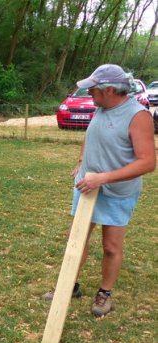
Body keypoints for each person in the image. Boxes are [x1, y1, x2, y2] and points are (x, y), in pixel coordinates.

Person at [43, 64, 156, 316]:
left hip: (117, 191)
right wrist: (83, 161)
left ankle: (105, 294)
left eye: (93, 89)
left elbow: (148, 162)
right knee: (76, 240)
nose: (89, 93)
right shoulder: (101, 108)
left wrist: (103, 178)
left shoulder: (138, 116)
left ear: (110, 90)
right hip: (88, 186)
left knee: (111, 247)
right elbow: (91, 136)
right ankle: (68, 286)